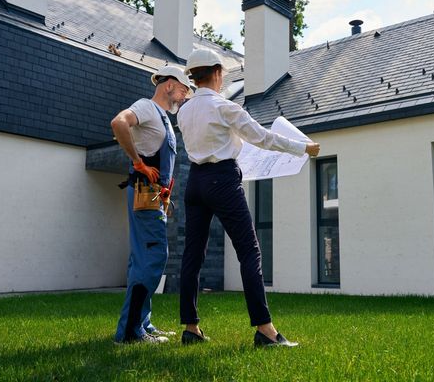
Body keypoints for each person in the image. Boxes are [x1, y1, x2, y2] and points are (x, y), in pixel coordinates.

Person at [177, 48, 320, 347]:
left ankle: (191, 328)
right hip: (223, 181)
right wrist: (303, 148)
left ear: (193, 76)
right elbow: (263, 137)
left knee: (192, 256)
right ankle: (266, 330)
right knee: (249, 251)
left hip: (195, 183)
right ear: (216, 73)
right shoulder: (224, 107)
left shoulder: (183, 111)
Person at [110, 65, 193, 344]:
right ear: (168, 85)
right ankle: (132, 332)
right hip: (144, 192)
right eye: (182, 89)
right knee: (154, 257)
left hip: (153, 196)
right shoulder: (146, 107)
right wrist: (137, 163)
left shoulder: (165, 118)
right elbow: (119, 123)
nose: (184, 96)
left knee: (141, 260)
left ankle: (140, 324)